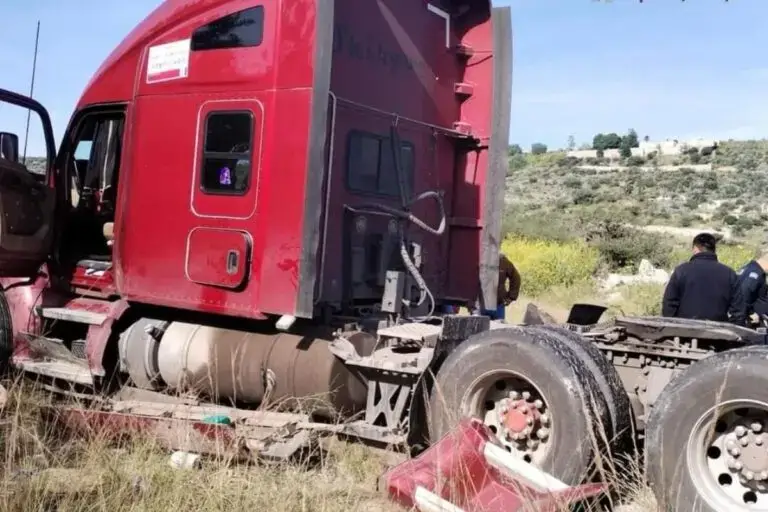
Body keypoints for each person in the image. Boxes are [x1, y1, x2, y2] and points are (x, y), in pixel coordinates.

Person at [662, 233, 745, 324]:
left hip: (684, 329)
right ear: (714, 250)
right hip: (718, 330)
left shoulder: (681, 271)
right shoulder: (729, 274)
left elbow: (669, 304)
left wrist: (673, 326)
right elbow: (738, 312)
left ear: (695, 248)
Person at [476, 254, 521, 321]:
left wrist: (511, 297)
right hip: (480, 304)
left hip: (499, 305)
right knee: (480, 327)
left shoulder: (503, 262)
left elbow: (516, 278)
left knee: (498, 327)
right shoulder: (478, 260)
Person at [735, 252, 768, 326]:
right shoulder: (756, 273)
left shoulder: (749, 267)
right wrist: (751, 313)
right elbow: (744, 292)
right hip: (752, 319)